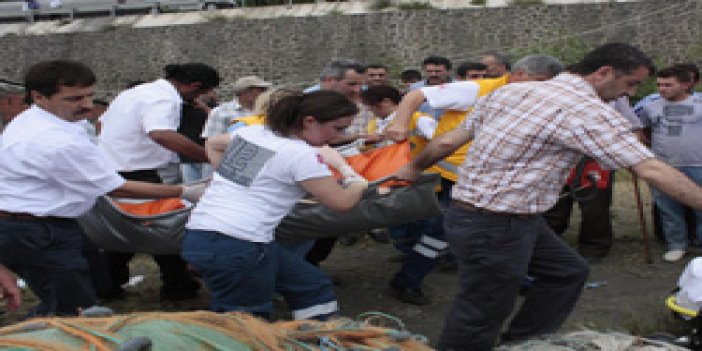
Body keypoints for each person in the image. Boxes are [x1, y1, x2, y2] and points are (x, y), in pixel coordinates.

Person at [389, 42, 702, 350]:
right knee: (483, 311)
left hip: (488, 215)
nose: (630, 93)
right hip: (495, 223)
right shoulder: (586, 110)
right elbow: (651, 169)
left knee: (567, 272)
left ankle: (523, 343)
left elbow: (447, 142)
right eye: (630, 83)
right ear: (604, 72)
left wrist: (414, 168)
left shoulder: (512, 90)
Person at [0, 60, 201, 316]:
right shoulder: (52, 139)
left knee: (83, 286)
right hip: (36, 230)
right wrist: (185, 191)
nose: (86, 105)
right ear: (39, 97)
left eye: (89, 95)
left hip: (46, 223)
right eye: (74, 99)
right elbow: (116, 188)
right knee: (71, 307)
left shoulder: (42, 120)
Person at [385, 54, 564, 305]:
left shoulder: (530, 98)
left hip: (497, 178)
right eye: (539, 81)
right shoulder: (475, 89)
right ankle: (406, 280)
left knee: (510, 228)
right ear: (520, 74)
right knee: (441, 233)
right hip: (458, 177)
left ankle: (517, 278)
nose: (542, 89)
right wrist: (401, 123)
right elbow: (416, 96)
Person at [182, 90, 367, 320]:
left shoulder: (253, 132)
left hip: (204, 233)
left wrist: (232, 178)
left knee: (310, 283)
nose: (341, 135)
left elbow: (213, 144)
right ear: (309, 121)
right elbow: (341, 202)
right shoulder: (300, 155)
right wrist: (354, 177)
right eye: (338, 128)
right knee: (248, 320)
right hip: (240, 245)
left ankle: (321, 334)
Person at [98, 63, 220, 301]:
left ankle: (107, 283)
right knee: (163, 227)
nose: (195, 100)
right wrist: (207, 156)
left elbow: (101, 124)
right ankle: (177, 285)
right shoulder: (166, 100)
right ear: (195, 87)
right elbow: (161, 133)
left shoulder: (135, 92)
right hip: (139, 170)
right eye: (197, 94)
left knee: (122, 226)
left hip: (112, 166)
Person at [637, 66, 702, 262]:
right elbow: (641, 129)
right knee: (668, 208)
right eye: (659, 85)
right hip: (664, 165)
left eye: (668, 85)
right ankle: (676, 244)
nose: (662, 89)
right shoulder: (650, 106)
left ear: (685, 84)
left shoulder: (700, 103)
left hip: (698, 164)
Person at [201, 76, 271, 139]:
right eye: (262, 90)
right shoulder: (221, 112)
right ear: (246, 91)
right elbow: (212, 141)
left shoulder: (269, 110)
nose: (265, 93)